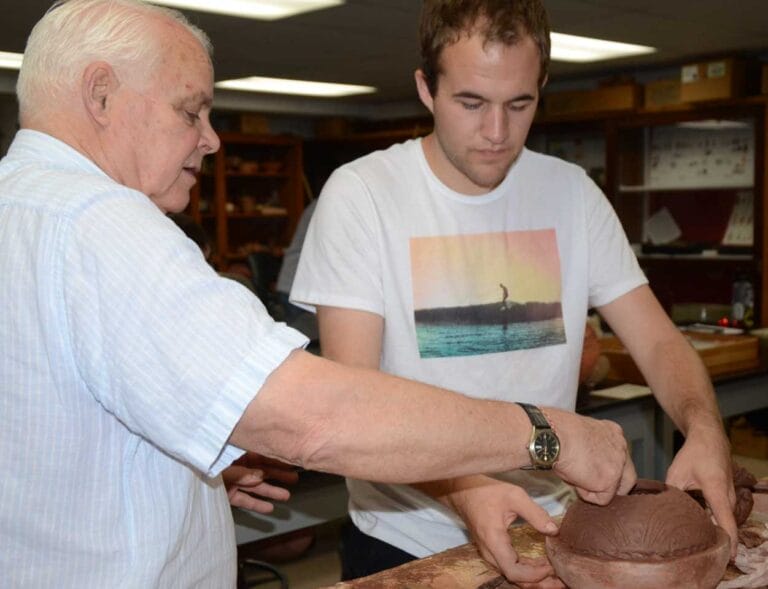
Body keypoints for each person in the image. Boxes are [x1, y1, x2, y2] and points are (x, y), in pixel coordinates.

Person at [0, 1, 637, 587]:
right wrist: (545, 432)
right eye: (189, 111)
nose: (210, 138)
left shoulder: (21, 206)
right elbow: (316, 419)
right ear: (101, 94)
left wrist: (183, 480)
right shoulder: (99, 224)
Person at [291, 0, 738, 584]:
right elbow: (356, 400)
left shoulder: (572, 193)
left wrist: (706, 430)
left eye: (519, 103)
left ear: (541, 87)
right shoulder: (362, 196)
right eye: (471, 103)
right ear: (427, 88)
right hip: (409, 538)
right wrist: (464, 488)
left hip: (558, 530)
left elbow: (657, 342)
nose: (497, 133)